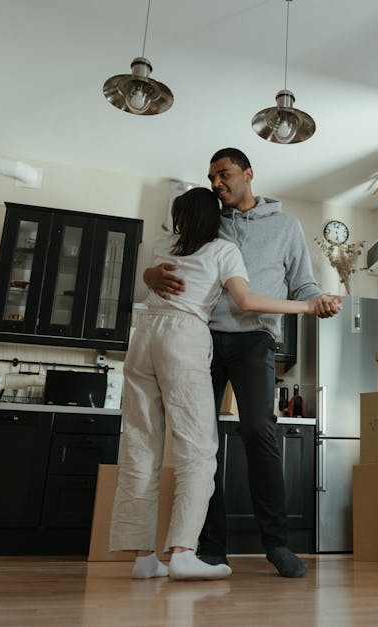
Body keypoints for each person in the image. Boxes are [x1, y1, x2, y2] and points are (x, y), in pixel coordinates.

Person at [110, 187, 335, 581]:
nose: (218, 183)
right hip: (196, 339)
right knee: (199, 448)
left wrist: (315, 299)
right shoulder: (220, 238)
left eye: (224, 174)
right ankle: (194, 549)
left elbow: (301, 282)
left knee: (148, 441)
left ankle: (151, 556)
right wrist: (306, 309)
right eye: (212, 177)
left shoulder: (278, 227)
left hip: (168, 336)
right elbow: (245, 298)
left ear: (247, 175)